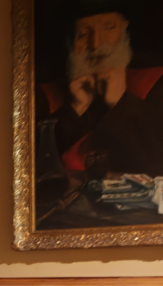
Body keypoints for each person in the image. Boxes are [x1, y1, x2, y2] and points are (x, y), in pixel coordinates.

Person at [37, 0, 163, 177]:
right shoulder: (44, 97)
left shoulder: (156, 85)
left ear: (125, 31)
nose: (95, 44)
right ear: (70, 42)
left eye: (109, 28)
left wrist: (121, 103)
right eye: (83, 34)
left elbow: (154, 170)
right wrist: (75, 109)